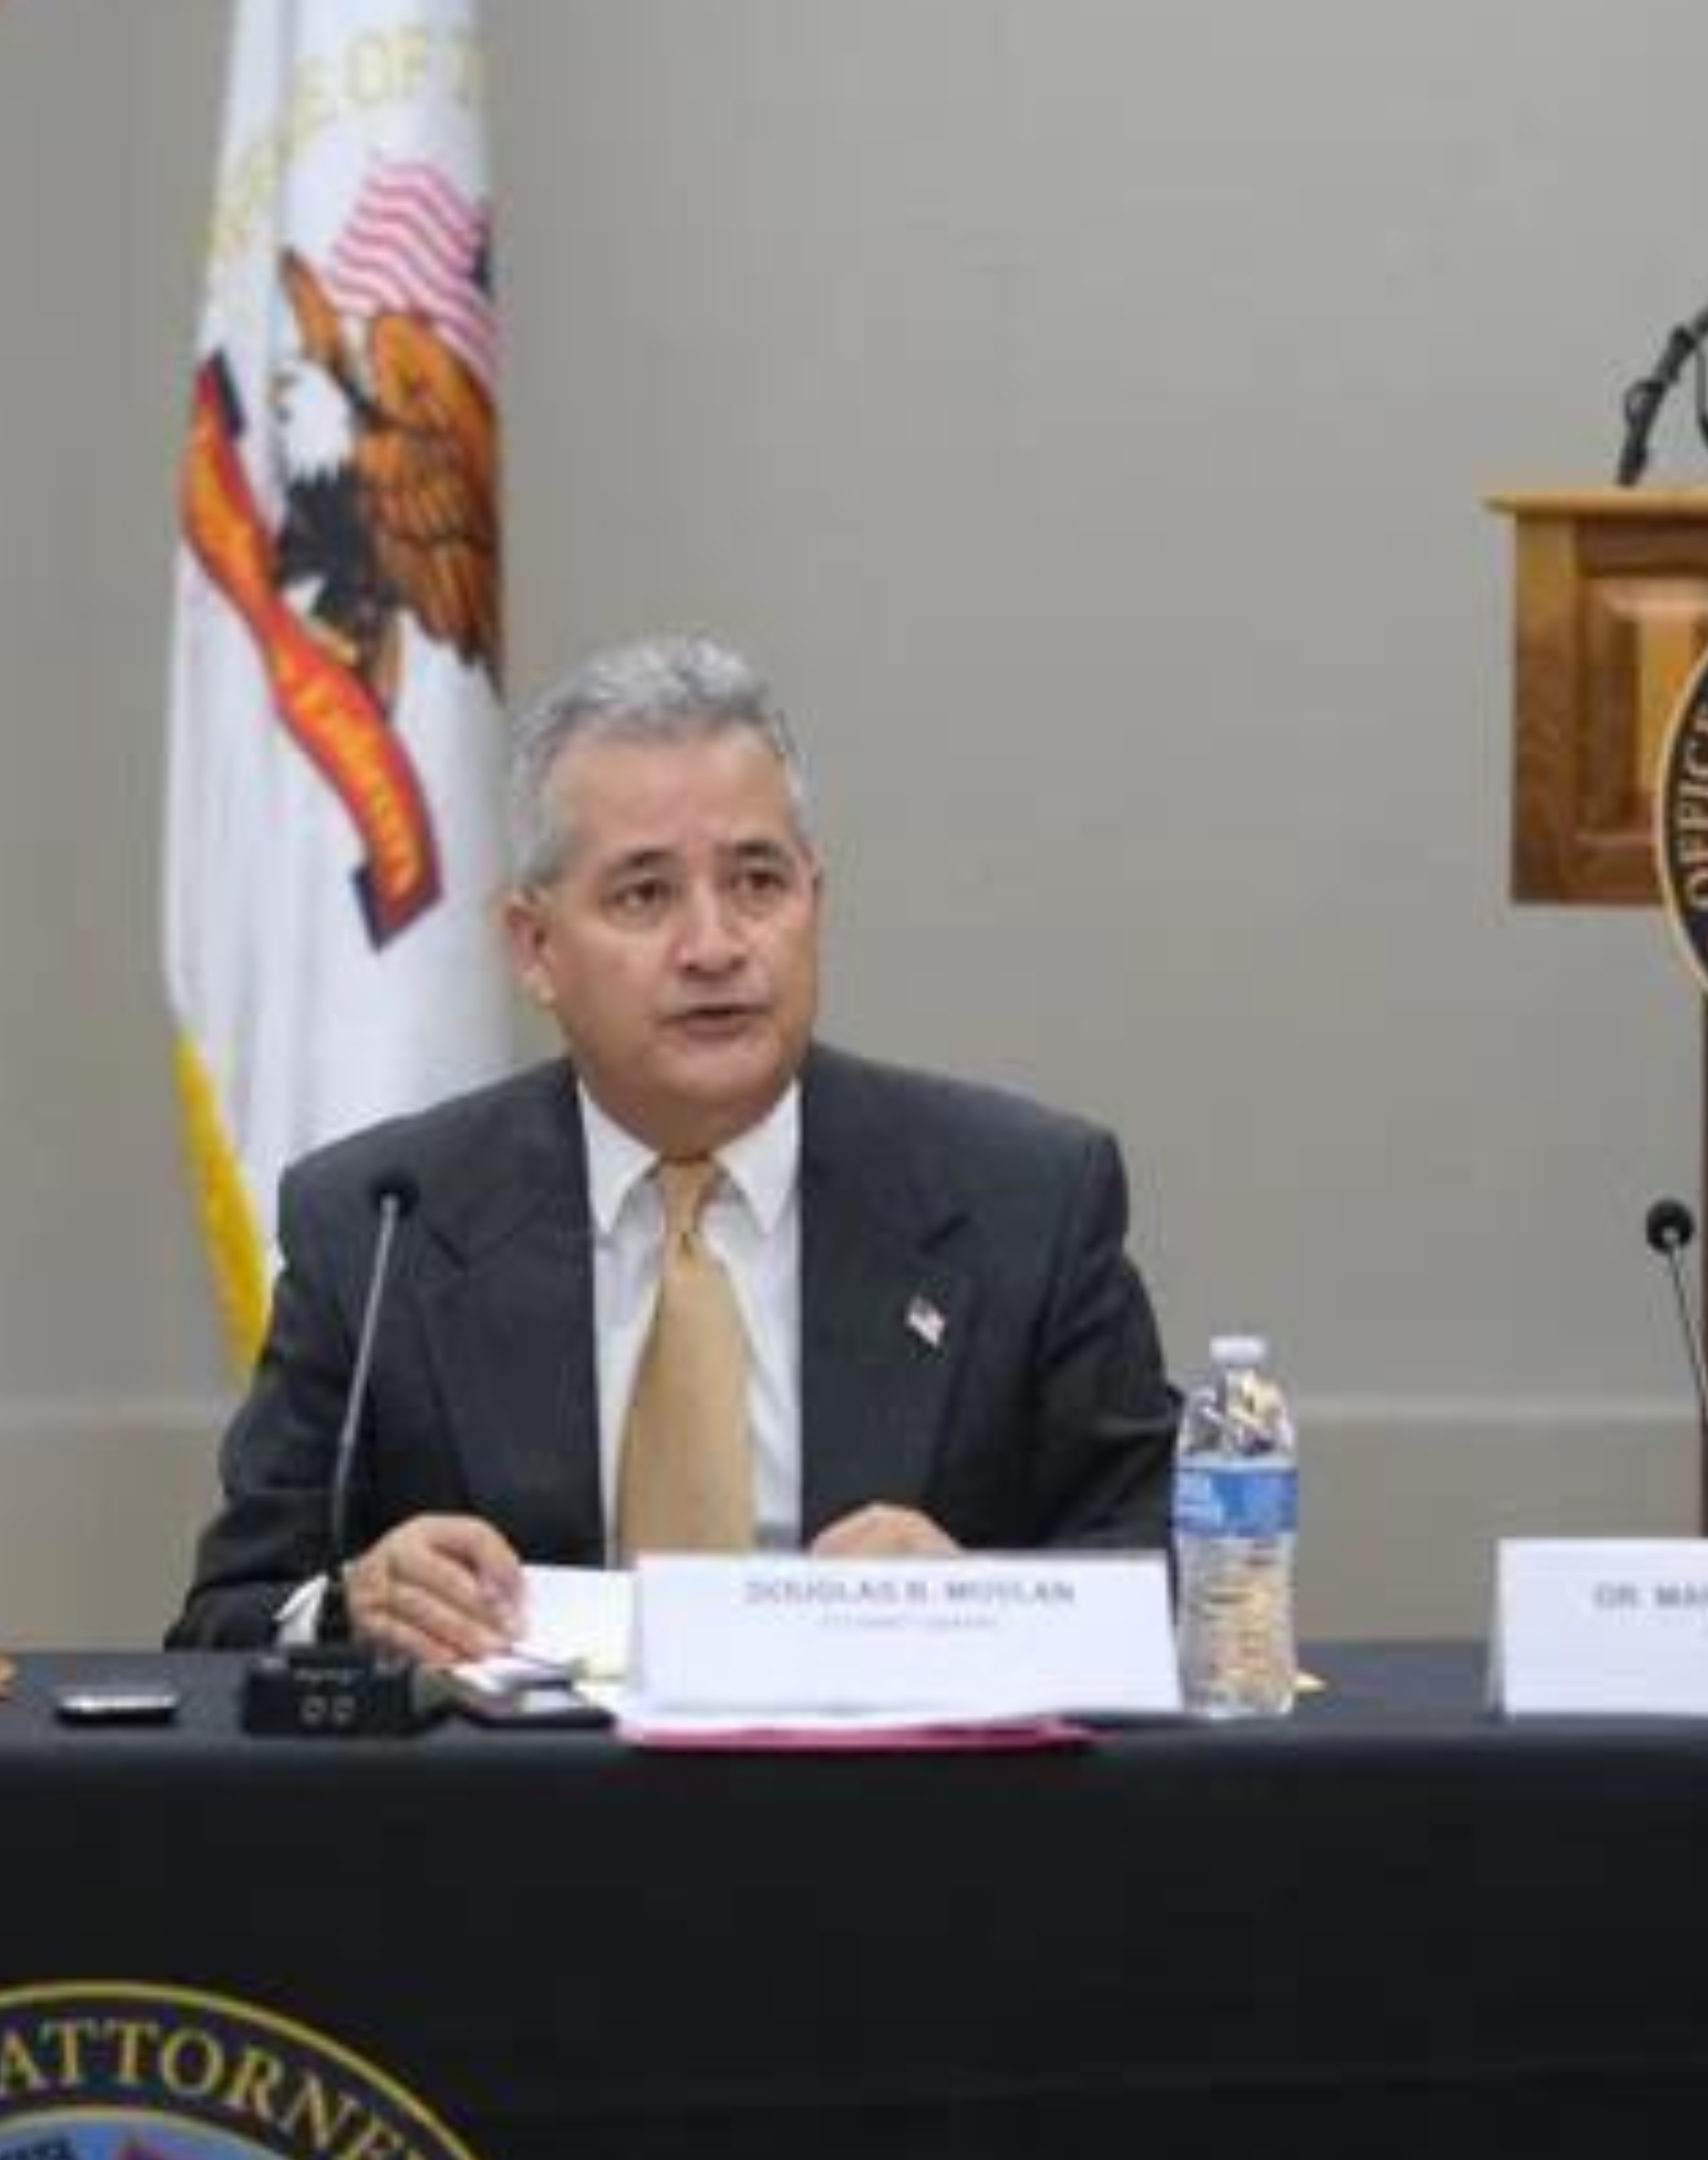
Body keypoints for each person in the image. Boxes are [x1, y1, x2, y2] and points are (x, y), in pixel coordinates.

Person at [171, 636, 1178, 1661]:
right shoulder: (381, 1222)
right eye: (644, 894)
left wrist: (973, 1603)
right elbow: (222, 1621)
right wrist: (349, 1605)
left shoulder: (1026, 1200)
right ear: (534, 947)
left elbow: (1176, 1581)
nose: (714, 944)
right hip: (515, 1816)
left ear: (813, 903)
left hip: (894, 1811)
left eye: (756, 881)